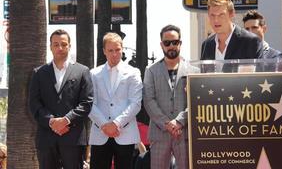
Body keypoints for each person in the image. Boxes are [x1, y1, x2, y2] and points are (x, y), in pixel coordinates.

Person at [29, 29, 93, 169]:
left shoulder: (82, 71)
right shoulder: (38, 73)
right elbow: (34, 103)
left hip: (73, 138)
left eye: (64, 44)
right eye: (56, 44)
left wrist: (66, 120)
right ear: (50, 46)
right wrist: (51, 121)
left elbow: (86, 103)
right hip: (46, 139)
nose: (60, 48)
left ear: (69, 46)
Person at [143, 24, 198, 169]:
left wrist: (179, 121)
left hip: (185, 134)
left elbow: (196, 101)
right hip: (159, 133)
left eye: (175, 42)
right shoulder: (151, 70)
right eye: (167, 43)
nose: (171, 46)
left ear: (180, 43)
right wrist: (167, 124)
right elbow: (149, 100)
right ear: (162, 45)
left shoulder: (194, 70)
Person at [88, 32, 143, 169]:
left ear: (122, 49)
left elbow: (135, 104)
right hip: (100, 133)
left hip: (125, 134)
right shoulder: (93, 74)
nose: (114, 54)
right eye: (110, 50)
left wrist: (116, 124)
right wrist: (105, 125)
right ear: (104, 51)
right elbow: (89, 103)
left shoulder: (133, 72)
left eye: (117, 50)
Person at [200, 0, 264, 60]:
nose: (216, 20)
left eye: (221, 15)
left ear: (232, 14)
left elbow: (258, 70)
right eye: (212, 15)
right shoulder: (207, 45)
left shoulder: (251, 42)